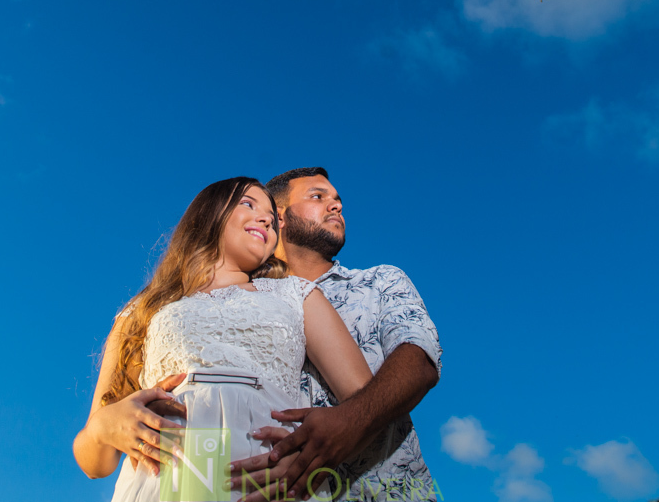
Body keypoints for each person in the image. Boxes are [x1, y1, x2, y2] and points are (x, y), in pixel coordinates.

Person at [73, 177, 373, 502]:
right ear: (209, 213)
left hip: (270, 480)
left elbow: (368, 405)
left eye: (272, 220)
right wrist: (104, 426)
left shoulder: (296, 295)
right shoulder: (143, 310)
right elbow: (94, 463)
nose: (265, 220)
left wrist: (317, 450)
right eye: (248, 204)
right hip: (159, 484)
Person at [229, 167, 442, 502]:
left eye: (337, 200)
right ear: (278, 216)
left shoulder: (380, 281)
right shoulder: (241, 300)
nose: (336, 206)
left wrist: (349, 422)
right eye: (318, 196)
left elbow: (419, 361)